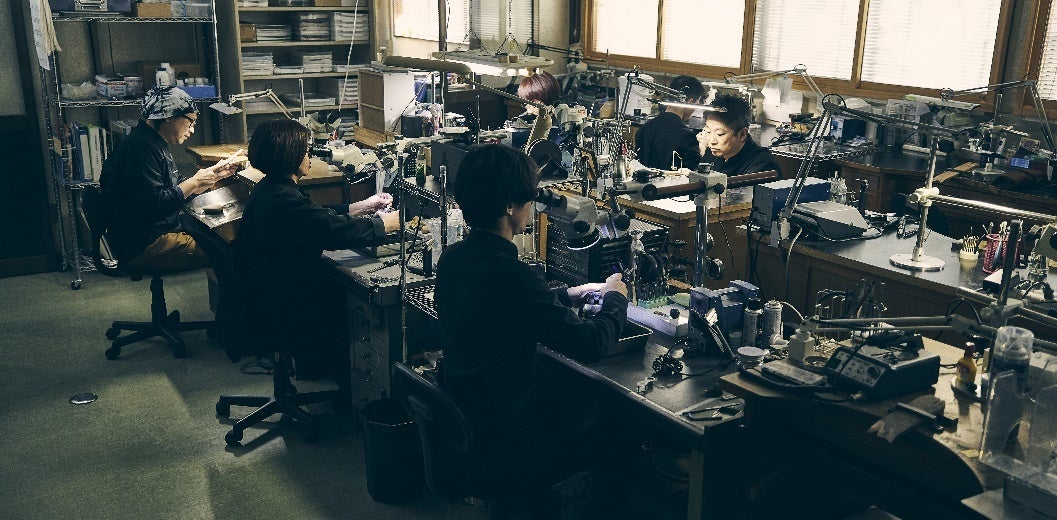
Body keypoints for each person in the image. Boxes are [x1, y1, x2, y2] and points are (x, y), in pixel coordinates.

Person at [434, 143, 628, 516]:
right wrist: (616, 298)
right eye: (529, 198)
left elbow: (499, 306)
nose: (532, 206)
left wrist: (568, 294)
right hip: (507, 438)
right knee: (617, 435)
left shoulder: (454, 257)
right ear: (510, 206)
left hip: (471, 415)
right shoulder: (513, 276)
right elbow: (591, 343)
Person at [232, 119, 399, 372]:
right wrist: (386, 224)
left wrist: (362, 206)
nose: (309, 156)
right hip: (282, 301)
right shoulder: (284, 199)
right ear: (291, 156)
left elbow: (316, 215)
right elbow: (333, 231)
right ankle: (345, 377)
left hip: (266, 292)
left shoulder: (272, 188)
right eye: (306, 151)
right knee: (356, 294)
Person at [99, 86, 242, 271]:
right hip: (145, 244)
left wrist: (211, 178)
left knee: (220, 236)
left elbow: (172, 187)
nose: (192, 130)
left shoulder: (151, 141)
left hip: (151, 232)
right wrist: (195, 182)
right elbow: (155, 204)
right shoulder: (141, 149)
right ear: (168, 116)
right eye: (190, 121)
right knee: (229, 248)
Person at [634, 75, 707, 170]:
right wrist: (702, 152)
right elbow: (694, 173)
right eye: (696, 104)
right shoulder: (687, 137)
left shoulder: (644, 129)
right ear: (689, 102)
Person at [698, 93, 781, 176]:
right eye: (708, 131)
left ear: (742, 135)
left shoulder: (762, 165)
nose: (711, 141)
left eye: (720, 134)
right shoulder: (714, 151)